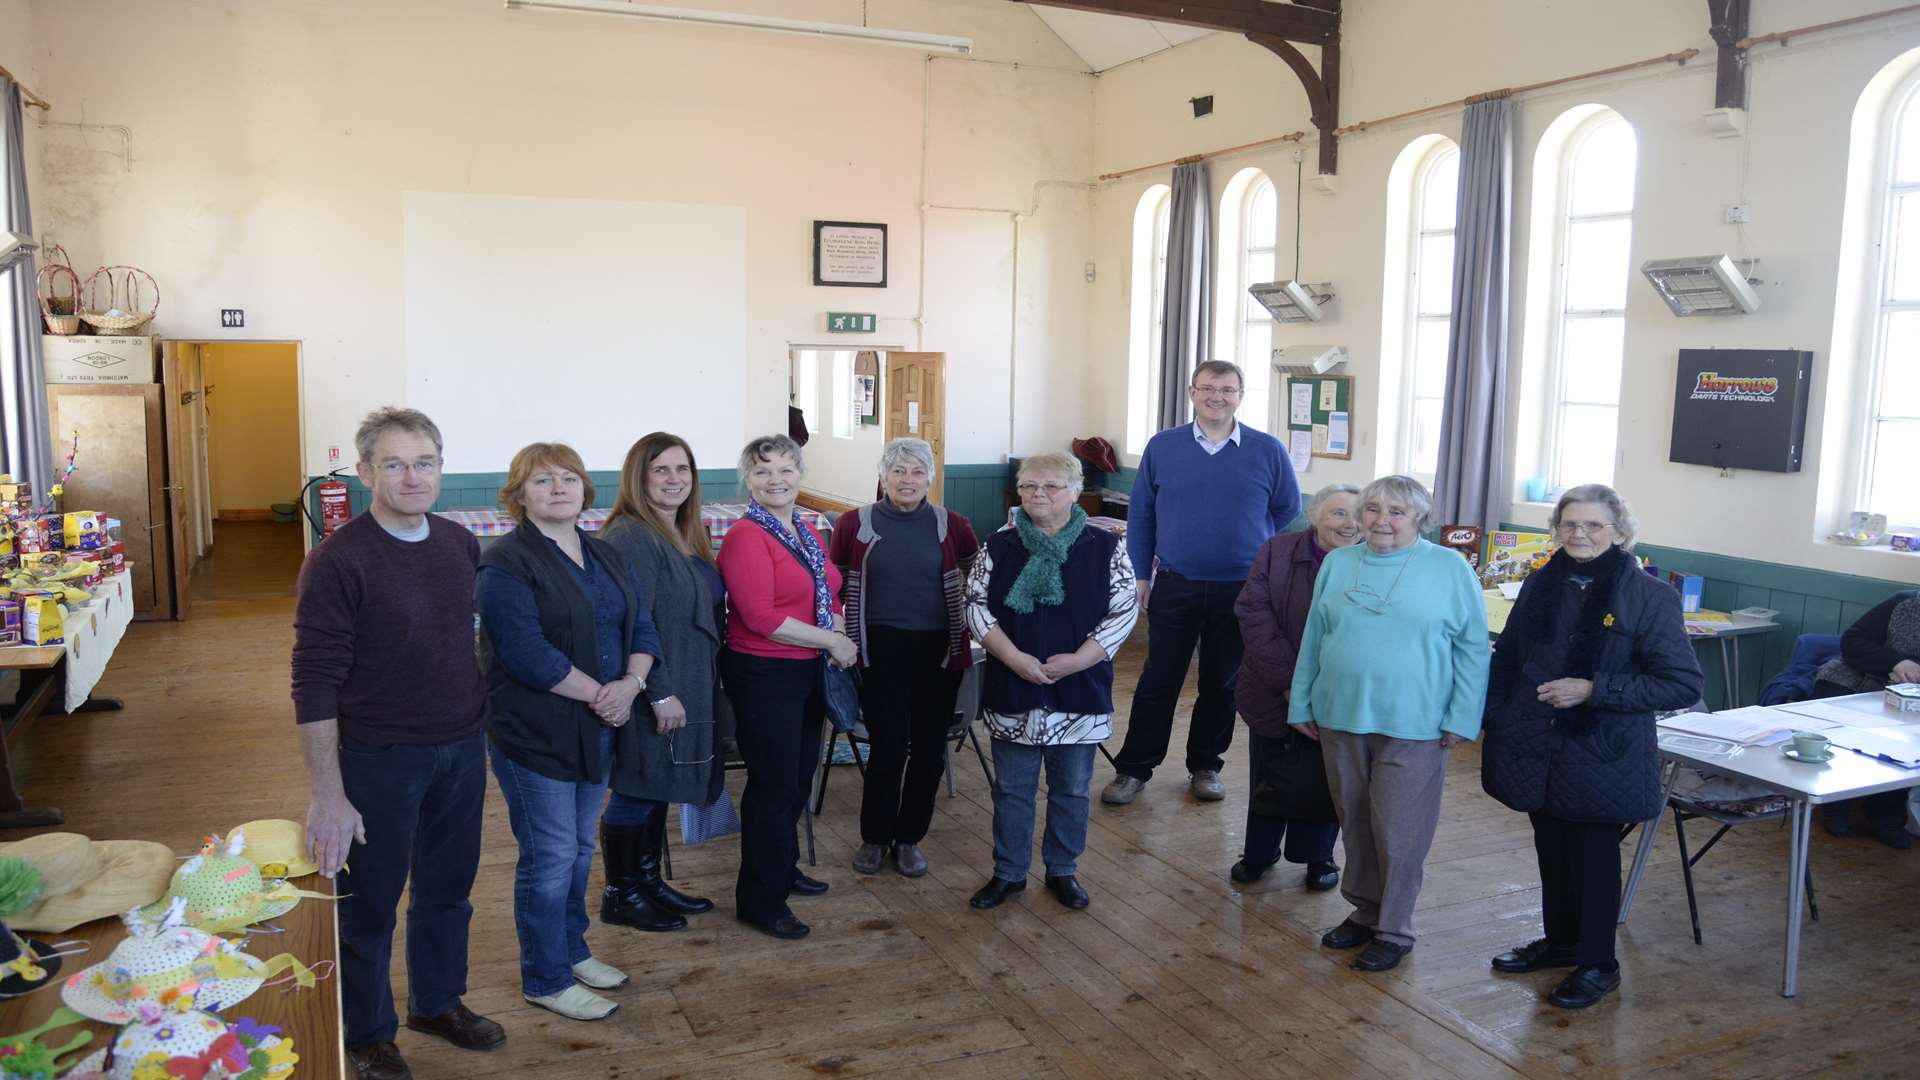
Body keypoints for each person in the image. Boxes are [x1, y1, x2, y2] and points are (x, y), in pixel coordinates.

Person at [293, 407, 505, 1080]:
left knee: (449, 889)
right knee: (370, 905)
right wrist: (328, 795)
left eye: (425, 462)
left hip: (460, 748)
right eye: (394, 464)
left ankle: (437, 1003)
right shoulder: (338, 561)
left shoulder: (456, 543)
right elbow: (314, 679)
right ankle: (366, 1035)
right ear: (365, 473)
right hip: (379, 758)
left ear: (441, 468)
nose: (412, 477)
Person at [1480, 484, 1702, 1009]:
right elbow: (1507, 657)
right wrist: (1496, 716)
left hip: (1604, 751)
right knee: (1551, 849)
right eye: (1569, 524)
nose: (1579, 534)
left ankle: (1599, 963)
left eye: (1594, 525)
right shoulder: (1541, 582)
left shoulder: (1650, 597)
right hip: (1535, 743)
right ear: (1556, 529)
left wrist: (1594, 689)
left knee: (1595, 860)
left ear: (1620, 533)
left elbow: (1681, 684)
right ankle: (1561, 943)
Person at [476, 442, 663, 1022]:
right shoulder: (506, 561)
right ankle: (545, 978)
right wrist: (604, 696)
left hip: (599, 727)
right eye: (541, 481)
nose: (558, 488)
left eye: (568, 479)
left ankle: (572, 950)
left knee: (580, 850)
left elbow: (644, 625)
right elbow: (525, 652)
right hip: (536, 733)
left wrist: (632, 684)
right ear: (519, 495)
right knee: (550, 856)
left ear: (585, 489)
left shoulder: (604, 553)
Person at [1289, 475, 1487, 974]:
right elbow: (1314, 636)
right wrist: (1301, 702)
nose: (1381, 521)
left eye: (1396, 512)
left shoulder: (1449, 568)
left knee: (1399, 830)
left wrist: (1463, 716)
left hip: (1415, 721)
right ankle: (1365, 910)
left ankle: (1395, 928)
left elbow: (1471, 650)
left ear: (1418, 518)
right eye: (1373, 509)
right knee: (1355, 821)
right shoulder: (1338, 562)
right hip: (1339, 713)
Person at [1106, 360, 1301, 806]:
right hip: (1176, 582)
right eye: (1209, 388)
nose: (1218, 396)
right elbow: (1141, 515)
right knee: (1160, 680)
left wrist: (1246, 536)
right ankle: (1134, 768)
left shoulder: (1268, 449)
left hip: (1242, 589)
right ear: (1192, 393)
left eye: (1227, 389)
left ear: (1240, 396)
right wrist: (1140, 573)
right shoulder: (1163, 446)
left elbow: (1286, 508)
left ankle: (1206, 765)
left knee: (1223, 682)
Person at [965, 453, 1138, 912]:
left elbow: (1124, 610)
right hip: (1014, 682)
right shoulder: (999, 546)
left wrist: (1081, 659)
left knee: (1073, 789)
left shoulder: (1104, 547)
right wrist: (1013, 657)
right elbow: (975, 606)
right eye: (1029, 486)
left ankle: (1063, 870)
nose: (1038, 494)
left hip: (1079, 689)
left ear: (1075, 491)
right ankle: (1008, 873)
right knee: (1012, 789)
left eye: (1052, 486)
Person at [718, 434, 853, 940]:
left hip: (805, 668)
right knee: (772, 786)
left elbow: (828, 589)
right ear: (747, 480)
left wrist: (836, 627)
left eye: (786, 469)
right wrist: (834, 642)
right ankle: (759, 899)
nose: (776, 479)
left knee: (798, 778)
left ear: (800, 473)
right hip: (764, 672)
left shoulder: (805, 529)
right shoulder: (746, 537)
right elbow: (759, 617)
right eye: (762, 471)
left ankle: (783, 866)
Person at [829, 437, 980, 878]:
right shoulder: (852, 524)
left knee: (931, 751)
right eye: (898, 471)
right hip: (878, 650)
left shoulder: (953, 525)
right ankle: (875, 837)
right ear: (883, 477)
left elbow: (978, 579)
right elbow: (833, 589)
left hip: (940, 650)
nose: (907, 480)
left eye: (917, 472)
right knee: (888, 748)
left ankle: (910, 838)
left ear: (930, 478)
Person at [595, 432, 725, 931]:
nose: (675, 480)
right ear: (639, 478)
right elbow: (631, 623)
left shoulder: (683, 532)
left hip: (689, 678)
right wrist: (659, 689)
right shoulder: (631, 537)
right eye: (661, 471)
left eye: (683, 470)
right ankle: (620, 894)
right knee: (638, 786)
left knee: (658, 786)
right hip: (656, 685)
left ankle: (648, 881)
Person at [1230, 483, 1362, 890]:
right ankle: (1258, 853)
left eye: (1359, 514)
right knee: (1268, 771)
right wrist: (1293, 687)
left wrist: (1320, 693)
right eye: (1339, 513)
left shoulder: (1370, 561)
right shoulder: (1278, 550)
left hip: (1337, 694)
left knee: (1328, 777)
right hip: (1272, 689)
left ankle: (1318, 857)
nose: (1350, 523)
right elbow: (1253, 613)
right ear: (1314, 515)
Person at [1811, 589, 1920, 849]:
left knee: (1905, 742)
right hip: (1855, 677)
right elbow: (1852, 641)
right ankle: (1834, 803)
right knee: (1841, 733)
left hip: (1907, 693)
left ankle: (1885, 815)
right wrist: (1897, 662)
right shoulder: (1903, 603)